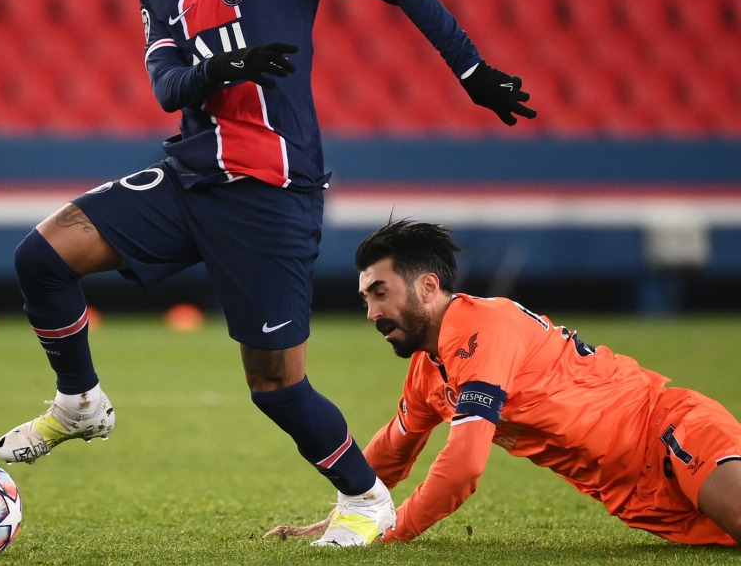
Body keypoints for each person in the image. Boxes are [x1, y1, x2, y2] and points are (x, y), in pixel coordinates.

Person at [0, 0, 535, 547]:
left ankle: (366, 499)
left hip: (271, 193)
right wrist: (223, 68)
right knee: (41, 256)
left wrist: (469, 70)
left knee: (276, 387)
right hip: (190, 177)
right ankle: (80, 401)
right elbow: (165, 85)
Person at [267, 220, 741, 546]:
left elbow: (464, 466)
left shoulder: (484, 329)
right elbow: (394, 448)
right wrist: (348, 513)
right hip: (640, 501)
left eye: (380, 293)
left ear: (428, 286)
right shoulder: (429, 368)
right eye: (365, 298)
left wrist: (392, 533)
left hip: (669, 432)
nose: (371, 313)